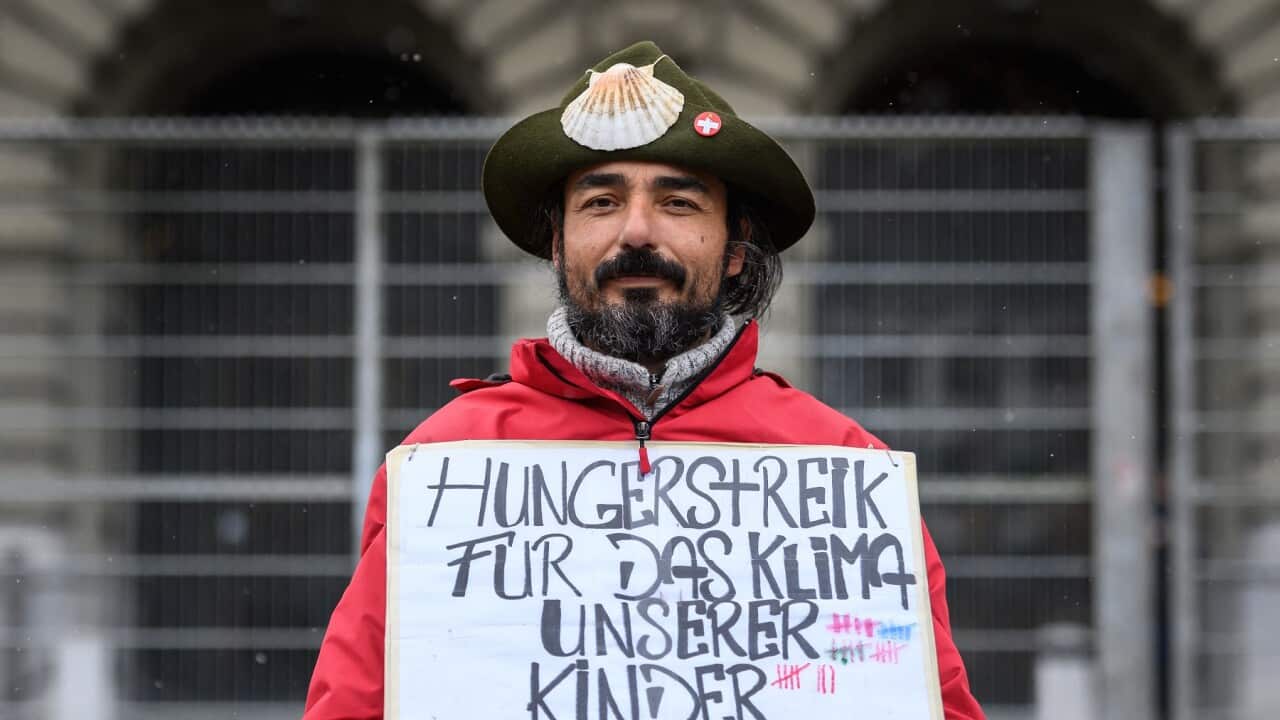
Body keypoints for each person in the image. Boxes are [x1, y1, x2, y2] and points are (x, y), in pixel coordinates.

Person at [303, 41, 984, 719]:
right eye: (601, 202)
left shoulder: (841, 469)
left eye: (678, 204)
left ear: (738, 248)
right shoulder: (449, 461)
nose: (635, 232)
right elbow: (356, 700)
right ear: (557, 243)